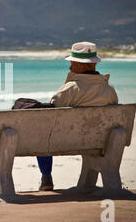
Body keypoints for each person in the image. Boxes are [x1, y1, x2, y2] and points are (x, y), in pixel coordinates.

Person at [37, 41, 119, 191]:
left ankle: (46, 176)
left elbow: (48, 117)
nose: (70, 67)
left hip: (63, 142)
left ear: (81, 65)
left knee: (41, 130)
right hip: (98, 142)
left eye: (73, 63)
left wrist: (68, 82)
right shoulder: (109, 89)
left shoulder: (70, 89)